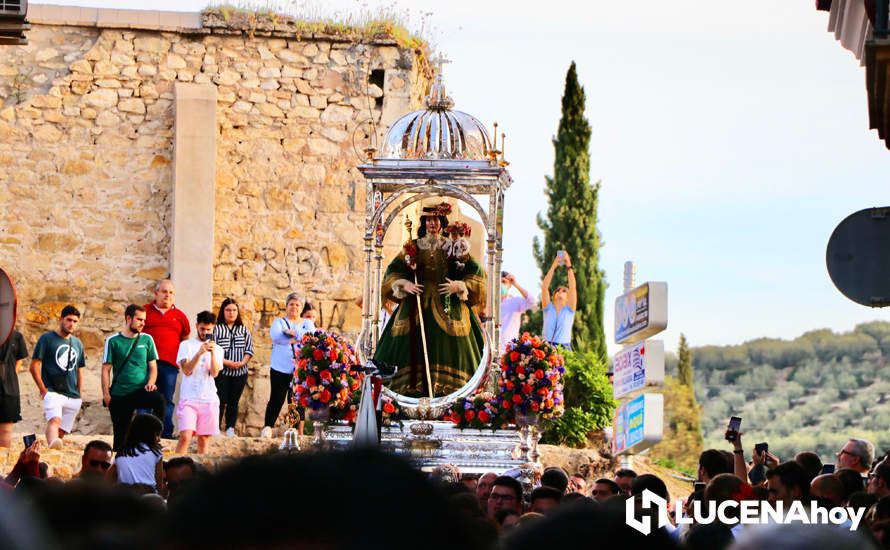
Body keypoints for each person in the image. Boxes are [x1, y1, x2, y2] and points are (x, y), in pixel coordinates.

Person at [373, 202, 486, 397]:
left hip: (450, 305)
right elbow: (392, 272)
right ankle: (406, 397)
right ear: (423, 222)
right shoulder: (413, 247)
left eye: (435, 219)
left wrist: (459, 285)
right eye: (428, 219)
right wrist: (404, 283)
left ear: (442, 222)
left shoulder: (453, 246)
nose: (432, 223)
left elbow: (475, 271)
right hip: (415, 304)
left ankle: (452, 398)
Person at [102, 304, 165, 452]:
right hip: (120, 394)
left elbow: (153, 367)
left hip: (140, 390)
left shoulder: (147, 339)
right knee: (120, 439)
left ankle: (155, 437)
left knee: (159, 400)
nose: (143, 323)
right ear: (128, 318)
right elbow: (106, 369)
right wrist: (106, 394)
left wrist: (151, 383)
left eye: (144, 320)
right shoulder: (113, 341)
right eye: (139, 319)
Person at [29, 305, 85, 449]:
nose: (71, 324)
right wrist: (42, 388)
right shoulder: (47, 339)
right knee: (54, 420)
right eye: (68, 320)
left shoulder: (78, 343)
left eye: (75, 321)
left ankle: (53, 451)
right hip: (52, 390)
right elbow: (34, 365)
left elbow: (79, 370)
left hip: (72, 394)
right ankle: (52, 445)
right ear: (61, 319)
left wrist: (79, 393)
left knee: (62, 431)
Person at [142, 279, 191, 439]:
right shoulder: (144, 312)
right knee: (145, 398)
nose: (167, 295)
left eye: (170, 292)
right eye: (164, 291)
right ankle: (142, 434)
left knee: (166, 400)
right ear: (156, 293)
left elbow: (185, 337)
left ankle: (165, 433)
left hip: (170, 365)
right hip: (146, 364)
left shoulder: (180, 316)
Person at [262, 292, 314, 438]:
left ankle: (294, 430)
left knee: (295, 401)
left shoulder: (307, 322)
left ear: (301, 307)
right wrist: (298, 337)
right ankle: (268, 427)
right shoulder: (279, 322)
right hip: (280, 367)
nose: (294, 307)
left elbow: (310, 337)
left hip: (299, 369)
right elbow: (276, 336)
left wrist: (292, 333)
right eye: (291, 304)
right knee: (276, 399)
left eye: (297, 305)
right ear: (286, 306)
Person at [175, 311, 223, 454]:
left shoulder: (219, 349)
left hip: (208, 399)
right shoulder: (186, 345)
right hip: (189, 398)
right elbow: (186, 370)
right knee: (185, 436)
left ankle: (201, 474)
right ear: (197, 326)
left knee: (203, 440)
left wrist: (212, 352)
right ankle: (174, 470)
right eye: (202, 329)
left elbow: (214, 373)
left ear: (213, 328)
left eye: (208, 329)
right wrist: (199, 353)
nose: (205, 332)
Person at [213, 298, 254, 438]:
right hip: (222, 371)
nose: (231, 313)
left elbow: (249, 350)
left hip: (240, 372)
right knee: (220, 400)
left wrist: (242, 362)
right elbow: (213, 350)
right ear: (223, 312)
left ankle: (230, 428)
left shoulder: (243, 330)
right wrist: (227, 362)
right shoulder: (216, 329)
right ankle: (215, 429)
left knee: (233, 401)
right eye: (228, 310)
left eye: (234, 310)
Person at [107, 413, 164, 492]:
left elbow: (108, 478)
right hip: (148, 495)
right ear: (148, 434)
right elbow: (159, 481)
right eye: (157, 435)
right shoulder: (156, 452)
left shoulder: (121, 452)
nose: (159, 439)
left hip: (125, 494)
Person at [540, 252, 577, 349]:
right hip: (546, 347)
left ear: (568, 297)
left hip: (564, 348)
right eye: (558, 290)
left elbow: (572, 287)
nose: (560, 291)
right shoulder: (548, 308)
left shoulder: (569, 310)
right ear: (554, 295)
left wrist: (568, 264)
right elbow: (544, 287)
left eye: (564, 291)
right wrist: (554, 266)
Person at [0, 328, 28, 448]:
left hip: (9, 390)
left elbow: (19, 361)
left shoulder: (16, 336)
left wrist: (9, 378)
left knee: (6, 431)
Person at [498, 271, 536, 351]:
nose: (501, 284)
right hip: (491, 348)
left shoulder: (515, 302)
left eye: (504, 282)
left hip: (509, 349)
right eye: (498, 281)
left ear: (509, 285)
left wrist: (515, 284)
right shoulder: (489, 302)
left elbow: (532, 301)